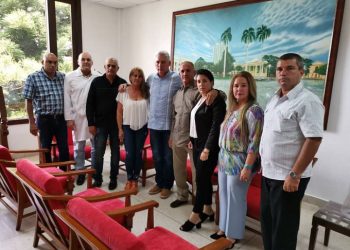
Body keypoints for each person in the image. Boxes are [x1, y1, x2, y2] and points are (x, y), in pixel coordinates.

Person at [260, 53, 324, 250]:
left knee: (284, 231)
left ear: (301, 72)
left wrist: (295, 175)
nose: (283, 73)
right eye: (280, 69)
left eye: (290, 68)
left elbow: (313, 139)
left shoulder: (307, 101)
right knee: (268, 225)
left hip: (288, 178)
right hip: (269, 173)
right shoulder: (274, 99)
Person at [211, 71, 264, 247]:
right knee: (224, 194)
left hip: (240, 161)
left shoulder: (254, 111)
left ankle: (233, 234)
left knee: (236, 197)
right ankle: (223, 228)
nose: (238, 89)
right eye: (235, 85)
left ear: (250, 87)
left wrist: (248, 167)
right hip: (225, 159)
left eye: (243, 85)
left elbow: (254, 143)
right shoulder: (232, 108)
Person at [169, 61, 222, 208]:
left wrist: (216, 91)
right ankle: (182, 195)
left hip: (194, 141)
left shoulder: (201, 91)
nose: (185, 73)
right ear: (179, 73)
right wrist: (171, 136)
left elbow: (219, 97)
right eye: (182, 71)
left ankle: (198, 201)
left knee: (197, 174)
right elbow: (174, 116)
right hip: (177, 137)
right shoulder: (177, 93)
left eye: (188, 70)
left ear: (193, 72)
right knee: (178, 170)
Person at [180, 69, 226, 232]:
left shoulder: (217, 99)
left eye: (205, 81)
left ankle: (196, 213)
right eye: (198, 81)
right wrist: (193, 140)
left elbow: (215, 127)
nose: (201, 84)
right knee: (204, 179)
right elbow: (197, 122)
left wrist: (207, 148)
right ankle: (208, 208)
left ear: (212, 82)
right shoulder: (201, 97)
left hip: (209, 147)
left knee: (200, 179)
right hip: (197, 144)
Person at [86, 57, 127, 190]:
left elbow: (128, 103)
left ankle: (113, 178)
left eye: (113, 66)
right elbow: (89, 104)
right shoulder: (96, 82)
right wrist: (91, 123)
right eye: (108, 66)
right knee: (99, 153)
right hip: (100, 124)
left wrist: (123, 127)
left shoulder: (123, 84)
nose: (111, 68)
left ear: (117, 69)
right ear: (105, 67)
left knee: (115, 153)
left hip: (116, 125)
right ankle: (98, 178)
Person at [147, 51, 182, 199]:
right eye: (157, 62)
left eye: (163, 62)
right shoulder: (150, 78)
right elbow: (137, 87)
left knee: (168, 157)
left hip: (169, 126)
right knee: (157, 156)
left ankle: (167, 185)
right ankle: (159, 182)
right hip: (153, 124)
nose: (160, 65)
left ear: (169, 63)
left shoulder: (176, 78)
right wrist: (124, 86)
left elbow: (192, 87)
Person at [23, 52, 69, 164]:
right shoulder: (33, 78)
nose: (53, 65)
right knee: (45, 149)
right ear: (42, 62)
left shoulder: (63, 77)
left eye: (55, 62)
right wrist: (32, 123)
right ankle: (49, 175)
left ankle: (64, 176)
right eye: (49, 62)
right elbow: (28, 102)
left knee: (64, 149)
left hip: (60, 118)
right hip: (44, 120)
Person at [64, 52, 99, 185]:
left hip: (94, 118)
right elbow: (67, 99)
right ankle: (80, 172)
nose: (85, 62)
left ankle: (95, 171)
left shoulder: (98, 76)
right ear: (78, 62)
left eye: (88, 59)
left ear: (92, 62)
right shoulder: (70, 77)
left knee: (96, 145)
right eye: (83, 59)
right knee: (79, 146)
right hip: (77, 117)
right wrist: (69, 118)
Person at [116, 67, 149, 190]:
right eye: (134, 75)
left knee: (138, 153)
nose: (137, 78)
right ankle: (129, 178)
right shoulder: (123, 91)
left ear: (142, 78)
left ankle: (135, 179)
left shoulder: (146, 91)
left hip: (142, 127)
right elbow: (119, 112)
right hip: (127, 127)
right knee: (130, 154)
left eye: (139, 76)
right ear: (130, 77)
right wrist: (120, 129)